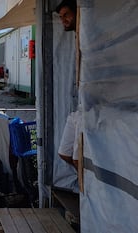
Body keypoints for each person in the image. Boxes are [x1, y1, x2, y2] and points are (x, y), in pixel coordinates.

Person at [56, 0, 79, 170]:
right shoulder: (79, 36)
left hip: (92, 107)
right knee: (64, 153)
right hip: (80, 106)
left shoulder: (90, 35)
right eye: (60, 17)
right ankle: (87, 184)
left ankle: (88, 191)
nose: (63, 20)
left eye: (66, 15)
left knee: (79, 158)